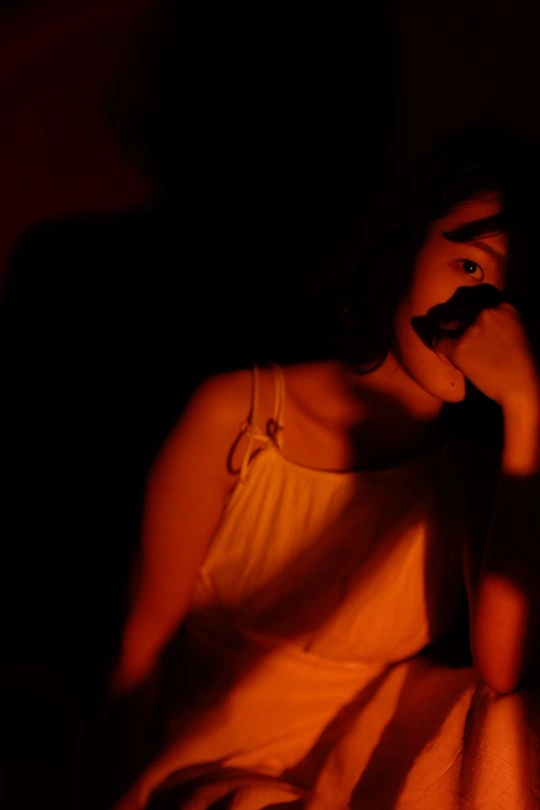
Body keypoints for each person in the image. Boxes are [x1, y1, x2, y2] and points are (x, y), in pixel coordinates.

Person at [106, 126, 540, 809]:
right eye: (469, 267)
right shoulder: (241, 416)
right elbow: (139, 645)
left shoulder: (472, 469)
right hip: (213, 763)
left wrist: (525, 408)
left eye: (520, 292)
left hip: (366, 761)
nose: (486, 316)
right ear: (402, 246)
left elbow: (505, 670)